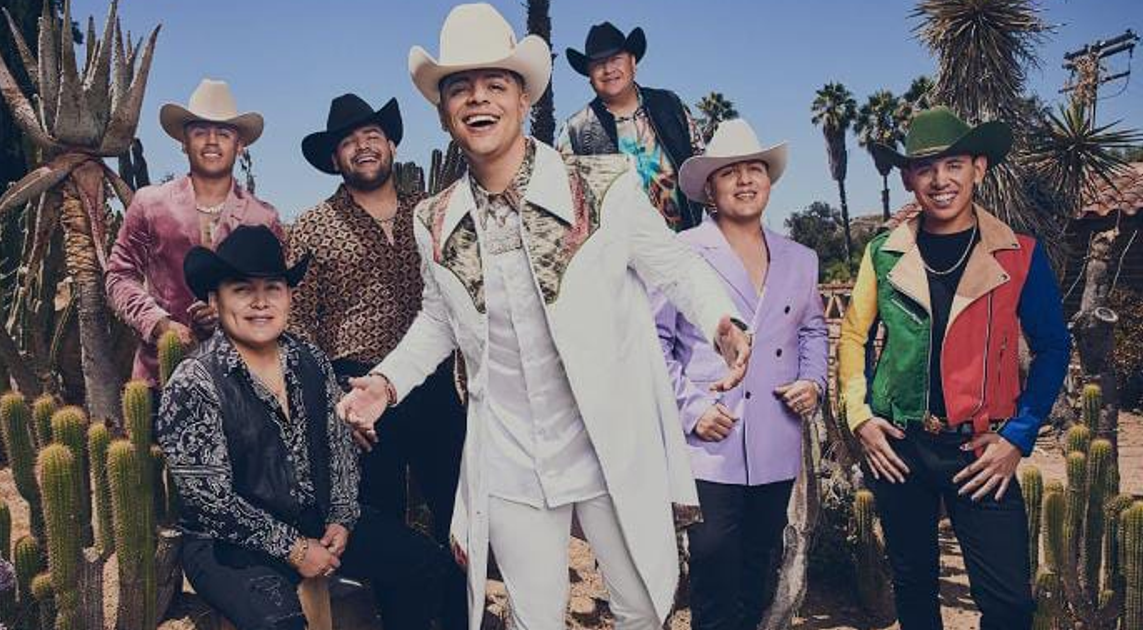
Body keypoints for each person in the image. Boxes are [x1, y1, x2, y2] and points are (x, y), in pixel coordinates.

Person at [339, 5, 754, 630]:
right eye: (460, 88)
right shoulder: (433, 219)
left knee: (643, 603)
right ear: (444, 109)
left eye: (495, 85)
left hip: (603, 436)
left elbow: (673, 265)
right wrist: (387, 380)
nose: (478, 99)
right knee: (535, 616)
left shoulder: (604, 183)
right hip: (508, 448)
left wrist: (720, 319)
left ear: (524, 97)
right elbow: (438, 320)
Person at [157, 225, 464, 630]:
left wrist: (341, 519)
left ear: (289, 297)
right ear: (215, 299)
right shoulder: (194, 382)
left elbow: (339, 455)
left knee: (425, 566)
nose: (261, 303)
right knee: (282, 622)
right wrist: (296, 549)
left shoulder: (311, 362)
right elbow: (211, 502)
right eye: (242, 290)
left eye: (273, 288)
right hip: (229, 544)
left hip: (314, 521)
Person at [838, 106, 1071, 630]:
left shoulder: (1021, 255)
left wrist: (1019, 436)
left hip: (981, 450)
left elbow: (1054, 346)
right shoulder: (882, 253)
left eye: (954, 165)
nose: (940, 180)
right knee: (915, 590)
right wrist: (860, 416)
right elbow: (855, 335)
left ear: (978, 169)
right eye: (925, 168)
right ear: (908, 178)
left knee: (1009, 604)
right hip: (899, 446)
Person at [288, 93, 467, 629]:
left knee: (458, 512)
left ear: (390, 144)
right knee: (381, 519)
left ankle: (462, 619)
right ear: (335, 158)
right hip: (357, 395)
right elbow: (296, 323)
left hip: (435, 386)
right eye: (348, 141)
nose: (362, 147)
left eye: (370, 136)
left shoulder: (430, 213)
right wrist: (330, 403)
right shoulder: (311, 227)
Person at [654, 118, 828, 630]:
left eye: (755, 169)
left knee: (758, 573)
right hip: (710, 445)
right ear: (710, 187)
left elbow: (813, 331)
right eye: (731, 172)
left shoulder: (802, 258)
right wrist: (692, 409)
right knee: (712, 572)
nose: (746, 180)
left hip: (776, 442)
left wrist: (813, 383)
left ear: (769, 181)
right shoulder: (681, 253)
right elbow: (654, 342)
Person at [106, 79, 282, 386]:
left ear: (240, 146)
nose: (212, 141)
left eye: (224, 133)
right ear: (184, 142)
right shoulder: (150, 203)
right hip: (160, 374)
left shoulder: (263, 217)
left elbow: (277, 295)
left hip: (240, 382)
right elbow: (118, 276)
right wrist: (160, 324)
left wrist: (230, 316)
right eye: (200, 132)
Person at [557, 21, 704, 231]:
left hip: (687, 245)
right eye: (598, 64)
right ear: (589, 76)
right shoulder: (575, 131)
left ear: (633, 63)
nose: (608, 69)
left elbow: (704, 168)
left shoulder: (670, 105)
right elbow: (566, 203)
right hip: (619, 258)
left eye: (616, 59)